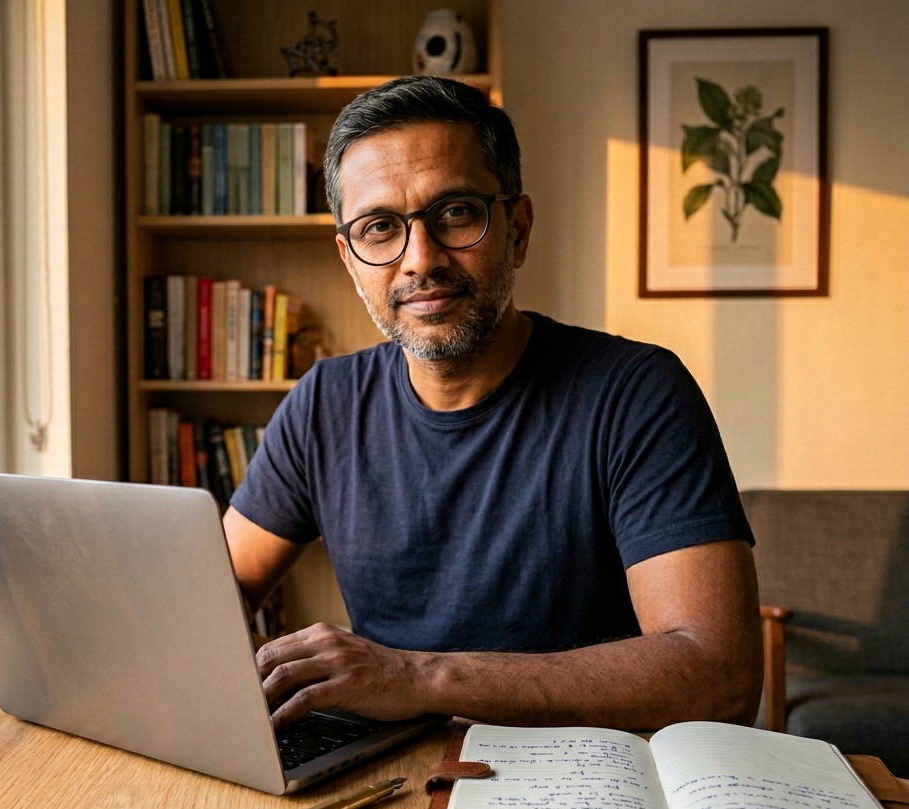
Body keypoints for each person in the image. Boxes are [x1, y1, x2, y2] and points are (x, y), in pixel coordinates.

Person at [223, 75, 762, 733]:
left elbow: (720, 676)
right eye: (380, 227)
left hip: (587, 791)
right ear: (349, 257)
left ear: (518, 228)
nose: (419, 260)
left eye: (456, 213)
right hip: (385, 778)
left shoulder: (637, 395)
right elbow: (211, 599)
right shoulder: (322, 406)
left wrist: (416, 678)